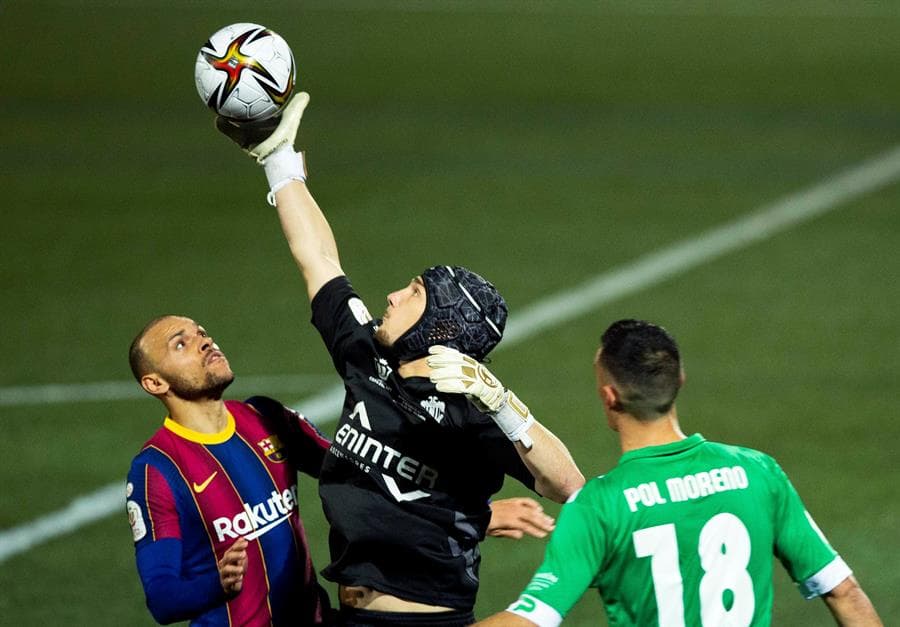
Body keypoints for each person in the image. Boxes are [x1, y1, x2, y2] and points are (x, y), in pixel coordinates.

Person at [215, 93, 586, 626]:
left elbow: (568, 485)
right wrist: (278, 159)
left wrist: (504, 403)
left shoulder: (468, 410)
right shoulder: (366, 354)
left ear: (437, 324)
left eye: (413, 292)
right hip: (347, 613)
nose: (391, 295)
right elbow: (318, 259)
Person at [125, 315, 560, 626]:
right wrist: (215, 582)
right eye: (180, 344)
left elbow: (362, 473)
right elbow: (162, 599)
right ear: (155, 383)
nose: (204, 341)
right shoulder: (158, 470)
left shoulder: (265, 417)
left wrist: (472, 517)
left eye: (201, 332)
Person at [474, 319, 883, 626]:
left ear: (609, 397)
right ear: (680, 381)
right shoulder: (758, 473)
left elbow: (532, 618)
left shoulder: (599, 506)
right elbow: (845, 593)